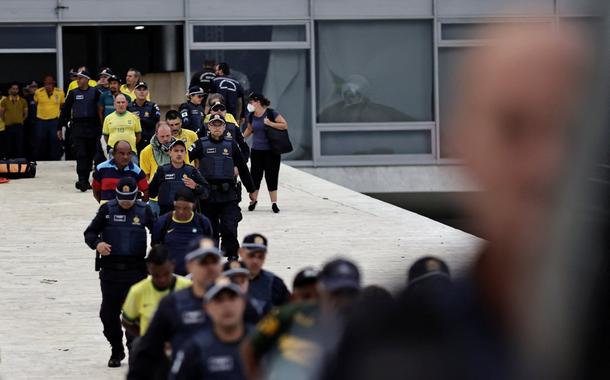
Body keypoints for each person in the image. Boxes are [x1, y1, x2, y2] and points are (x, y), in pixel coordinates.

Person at [241, 258, 362, 380]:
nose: (342, 300)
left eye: (349, 293)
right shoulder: (289, 314)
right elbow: (250, 347)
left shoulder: (360, 322)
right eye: (335, 293)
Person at [83, 176, 156, 368]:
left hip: (136, 271)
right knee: (108, 314)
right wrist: (97, 244)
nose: (125, 203)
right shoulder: (106, 210)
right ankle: (116, 348)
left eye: (129, 199)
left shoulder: (144, 210)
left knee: (135, 313)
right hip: (111, 272)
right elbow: (89, 233)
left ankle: (133, 348)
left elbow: (158, 234)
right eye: (122, 199)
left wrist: (155, 255)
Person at [127, 238, 222, 380]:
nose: (210, 268)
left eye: (214, 261)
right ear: (189, 265)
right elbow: (147, 348)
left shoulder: (235, 300)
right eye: (203, 262)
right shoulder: (171, 303)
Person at [188, 114, 256, 260]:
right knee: (210, 230)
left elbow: (243, 168)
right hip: (207, 195)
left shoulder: (231, 145)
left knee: (229, 227)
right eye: (214, 124)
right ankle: (212, 257)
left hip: (228, 194)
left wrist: (251, 190)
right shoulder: (200, 143)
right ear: (209, 127)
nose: (217, 127)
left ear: (224, 127)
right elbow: (186, 159)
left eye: (220, 125)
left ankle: (231, 255)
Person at [169, 277, 251, 380]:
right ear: (206, 307)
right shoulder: (195, 349)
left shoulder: (263, 343)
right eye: (219, 300)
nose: (226, 305)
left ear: (243, 303)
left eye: (232, 298)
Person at [121, 245, 192, 337]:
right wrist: (146, 339)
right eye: (156, 275)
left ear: (173, 265)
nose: (162, 279)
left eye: (166, 274)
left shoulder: (188, 288)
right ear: (148, 268)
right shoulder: (137, 291)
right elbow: (127, 321)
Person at [243, 92, 288, 213]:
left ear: (257, 102)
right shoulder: (251, 116)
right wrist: (241, 139)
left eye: (251, 102)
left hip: (271, 151)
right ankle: (253, 201)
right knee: (255, 177)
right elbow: (249, 129)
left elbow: (284, 125)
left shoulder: (271, 113)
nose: (250, 104)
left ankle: (274, 203)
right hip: (256, 151)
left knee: (271, 176)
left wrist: (270, 123)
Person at [151, 188, 214, 276]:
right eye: (178, 208)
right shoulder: (163, 222)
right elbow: (156, 246)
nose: (181, 212)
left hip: (196, 275)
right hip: (170, 275)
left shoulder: (203, 222)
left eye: (186, 208)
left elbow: (209, 247)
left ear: (193, 206)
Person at [59, 70, 102, 191]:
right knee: (81, 154)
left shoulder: (95, 92)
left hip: (92, 126)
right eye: (77, 78)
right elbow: (65, 111)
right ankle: (82, 180)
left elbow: (101, 108)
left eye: (81, 78)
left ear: (87, 80)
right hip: (78, 126)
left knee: (90, 154)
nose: (78, 80)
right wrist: (59, 127)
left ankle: (86, 179)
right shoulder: (73, 93)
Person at [148, 139, 209, 216]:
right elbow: (151, 193)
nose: (179, 154)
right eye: (176, 151)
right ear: (170, 152)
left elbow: (206, 192)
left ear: (185, 153)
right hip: (166, 214)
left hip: (188, 215)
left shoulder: (192, 171)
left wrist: (196, 186)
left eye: (182, 151)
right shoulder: (162, 171)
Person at [238, 233, 290, 316]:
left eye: (260, 257)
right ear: (241, 252)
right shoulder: (226, 278)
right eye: (251, 255)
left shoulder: (274, 284)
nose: (256, 261)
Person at [139, 121, 175, 215]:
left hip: (176, 197)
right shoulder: (146, 152)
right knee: (156, 227)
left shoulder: (180, 148)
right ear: (156, 134)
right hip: (156, 199)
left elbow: (186, 168)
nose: (166, 139)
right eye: (162, 136)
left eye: (168, 135)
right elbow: (145, 176)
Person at [201, 97, 250, 161]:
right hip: (209, 165)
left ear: (225, 112)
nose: (219, 111)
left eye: (222, 109)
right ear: (211, 112)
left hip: (228, 165)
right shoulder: (204, 127)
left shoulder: (234, 128)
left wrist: (240, 165)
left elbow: (245, 148)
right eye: (215, 109)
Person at [33, 75, 64, 160]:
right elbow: (36, 104)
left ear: (53, 83)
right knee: (40, 139)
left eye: (50, 83)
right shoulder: (38, 92)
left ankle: (55, 159)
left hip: (54, 120)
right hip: (41, 120)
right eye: (46, 83)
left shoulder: (60, 92)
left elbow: (62, 105)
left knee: (54, 139)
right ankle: (39, 159)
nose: (48, 85)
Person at [128, 81, 160, 153]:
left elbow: (154, 122)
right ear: (134, 92)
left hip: (149, 142)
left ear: (147, 92)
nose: (142, 92)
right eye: (139, 90)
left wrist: (139, 119)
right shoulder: (128, 107)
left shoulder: (153, 106)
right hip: (133, 142)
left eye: (144, 90)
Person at [0, 83, 28, 158]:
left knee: (19, 143)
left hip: (19, 126)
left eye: (16, 89)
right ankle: (9, 159)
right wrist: (6, 121)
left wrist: (20, 120)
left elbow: (25, 114)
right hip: (8, 126)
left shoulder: (23, 101)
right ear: (10, 89)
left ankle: (19, 159)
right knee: (8, 144)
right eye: (13, 88)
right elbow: (1, 113)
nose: (14, 90)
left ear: (18, 90)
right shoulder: (5, 101)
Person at [22, 80, 38, 160]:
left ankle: (37, 158)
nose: (34, 88)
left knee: (38, 142)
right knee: (29, 142)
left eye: (35, 86)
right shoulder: (26, 97)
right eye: (32, 87)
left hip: (38, 123)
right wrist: (26, 90)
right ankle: (29, 158)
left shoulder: (40, 96)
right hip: (28, 124)